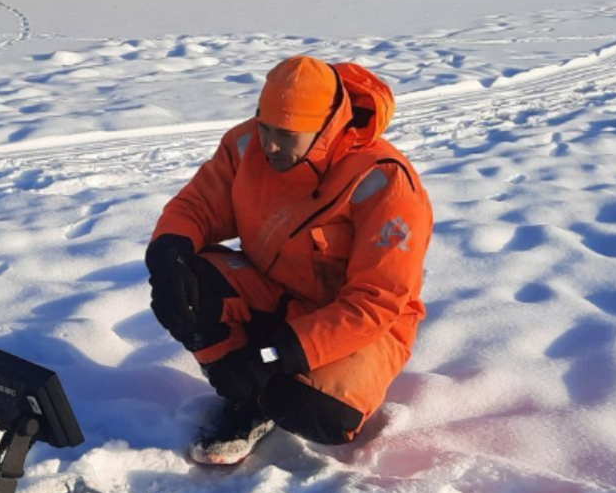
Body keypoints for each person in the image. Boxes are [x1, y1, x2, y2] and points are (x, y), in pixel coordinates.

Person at [145, 55, 433, 464]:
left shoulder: (384, 181)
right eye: (264, 126)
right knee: (188, 282)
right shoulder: (247, 145)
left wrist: (274, 354)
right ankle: (244, 400)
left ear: (326, 127)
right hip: (275, 292)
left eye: (286, 134)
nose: (270, 145)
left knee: (317, 410)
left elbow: (376, 301)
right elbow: (197, 206)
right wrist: (166, 255)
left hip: (361, 326)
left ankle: (266, 385)